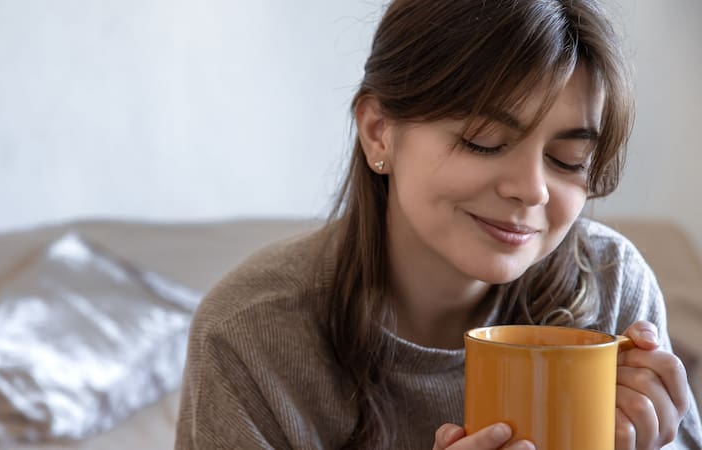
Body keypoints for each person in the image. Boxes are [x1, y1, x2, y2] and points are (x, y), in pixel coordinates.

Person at [175, 0, 702, 448]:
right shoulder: (249, 335)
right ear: (379, 132)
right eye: (484, 142)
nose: (532, 189)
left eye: (568, 160)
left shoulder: (612, 290)